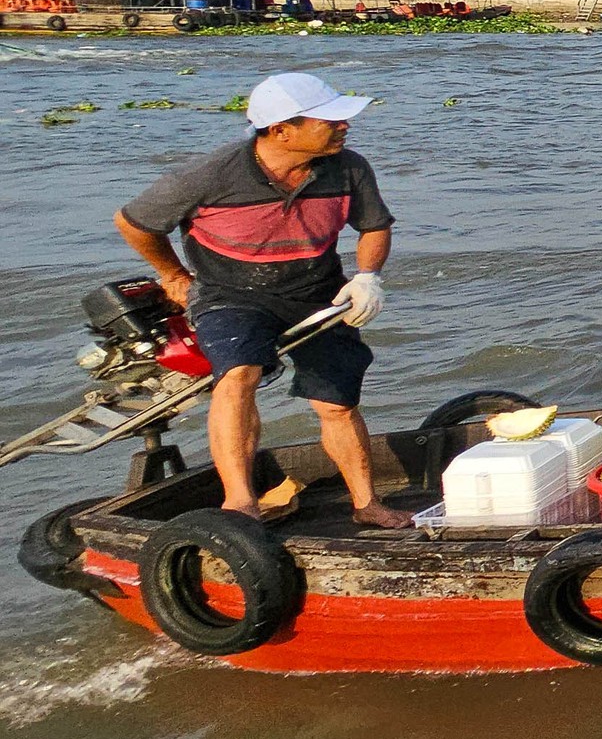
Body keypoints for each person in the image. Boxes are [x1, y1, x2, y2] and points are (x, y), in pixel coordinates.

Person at [113, 73, 402, 526]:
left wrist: (368, 277)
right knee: (239, 374)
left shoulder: (349, 167)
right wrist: (171, 274)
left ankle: (367, 504)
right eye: (330, 120)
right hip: (231, 294)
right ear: (281, 130)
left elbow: (374, 226)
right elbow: (135, 222)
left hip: (317, 292)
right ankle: (240, 504)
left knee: (337, 404)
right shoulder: (211, 174)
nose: (345, 125)